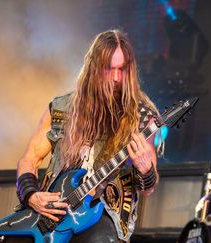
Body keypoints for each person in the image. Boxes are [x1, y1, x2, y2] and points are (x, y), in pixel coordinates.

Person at [15, 29, 160, 242]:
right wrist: (31, 195)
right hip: (54, 209)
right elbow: (30, 158)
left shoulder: (141, 115)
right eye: (109, 69)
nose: (117, 78)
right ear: (93, 67)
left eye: (122, 69)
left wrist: (145, 169)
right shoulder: (61, 108)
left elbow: (149, 188)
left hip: (103, 213)